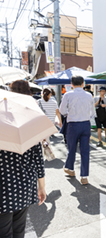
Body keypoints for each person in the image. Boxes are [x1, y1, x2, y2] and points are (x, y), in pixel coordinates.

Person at [0, 80, 46, 238]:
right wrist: (42, 187)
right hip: (24, 187)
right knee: (19, 229)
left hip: (2, 189)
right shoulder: (27, 117)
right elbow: (38, 160)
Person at [59, 76, 95, 185]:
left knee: (72, 148)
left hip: (73, 125)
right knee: (85, 151)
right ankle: (84, 177)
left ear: (71, 84)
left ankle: (70, 169)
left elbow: (62, 110)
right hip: (85, 124)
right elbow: (92, 113)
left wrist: (69, 114)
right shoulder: (89, 95)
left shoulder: (68, 95)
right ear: (83, 83)